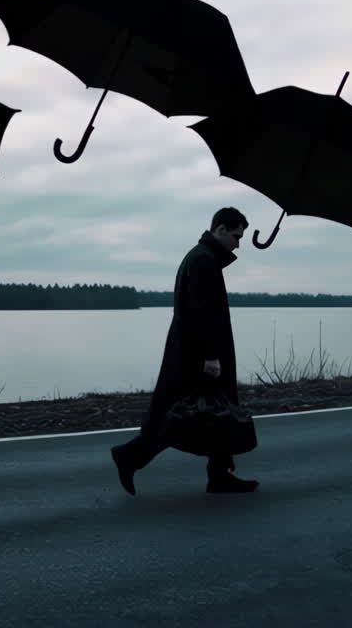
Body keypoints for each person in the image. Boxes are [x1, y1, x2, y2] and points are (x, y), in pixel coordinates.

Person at [110, 207, 260, 495]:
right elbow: (201, 312)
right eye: (236, 236)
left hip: (190, 351)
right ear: (219, 230)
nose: (239, 243)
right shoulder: (203, 261)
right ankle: (129, 456)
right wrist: (211, 356)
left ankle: (220, 475)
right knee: (185, 416)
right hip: (197, 356)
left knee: (213, 413)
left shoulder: (202, 257)